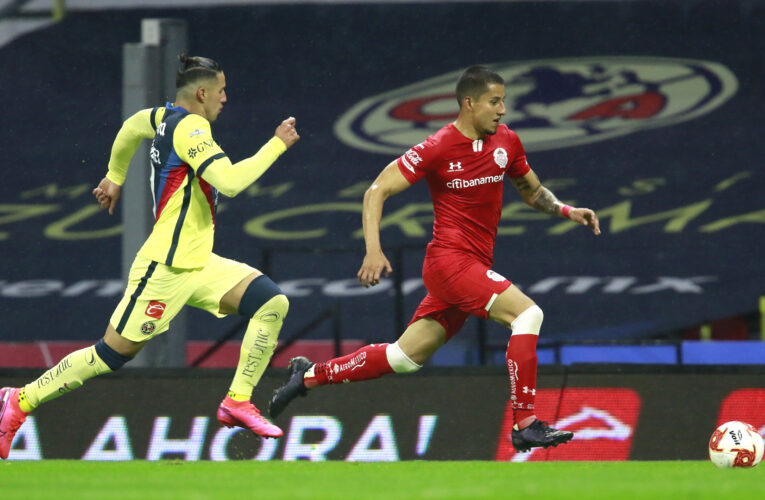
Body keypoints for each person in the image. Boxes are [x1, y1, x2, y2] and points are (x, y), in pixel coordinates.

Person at [269, 66, 600, 453]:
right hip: (449, 263)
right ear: (469, 103)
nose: (503, 110)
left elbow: (532, 190)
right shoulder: (438, 146)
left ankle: (306, 376)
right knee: (527, 315)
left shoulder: (507, 142)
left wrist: (566, 210)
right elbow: (376, 190)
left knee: (404, 357)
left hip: (470, 268)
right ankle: (525, 422)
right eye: (495, 102)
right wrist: (373, 249)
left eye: (504, 101)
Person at [0, 54, 300, 459]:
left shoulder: (162, 116)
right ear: (201, 92)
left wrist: (114, 175)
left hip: (199, 262)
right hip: (164, 268)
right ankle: (19, 400)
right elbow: (229, 182)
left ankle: (237, 401)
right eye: (221, 90)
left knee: (271, 302)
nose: (225, 98)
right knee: (108, 356)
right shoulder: (193, 128)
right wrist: (277, 145)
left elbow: (129, 128)